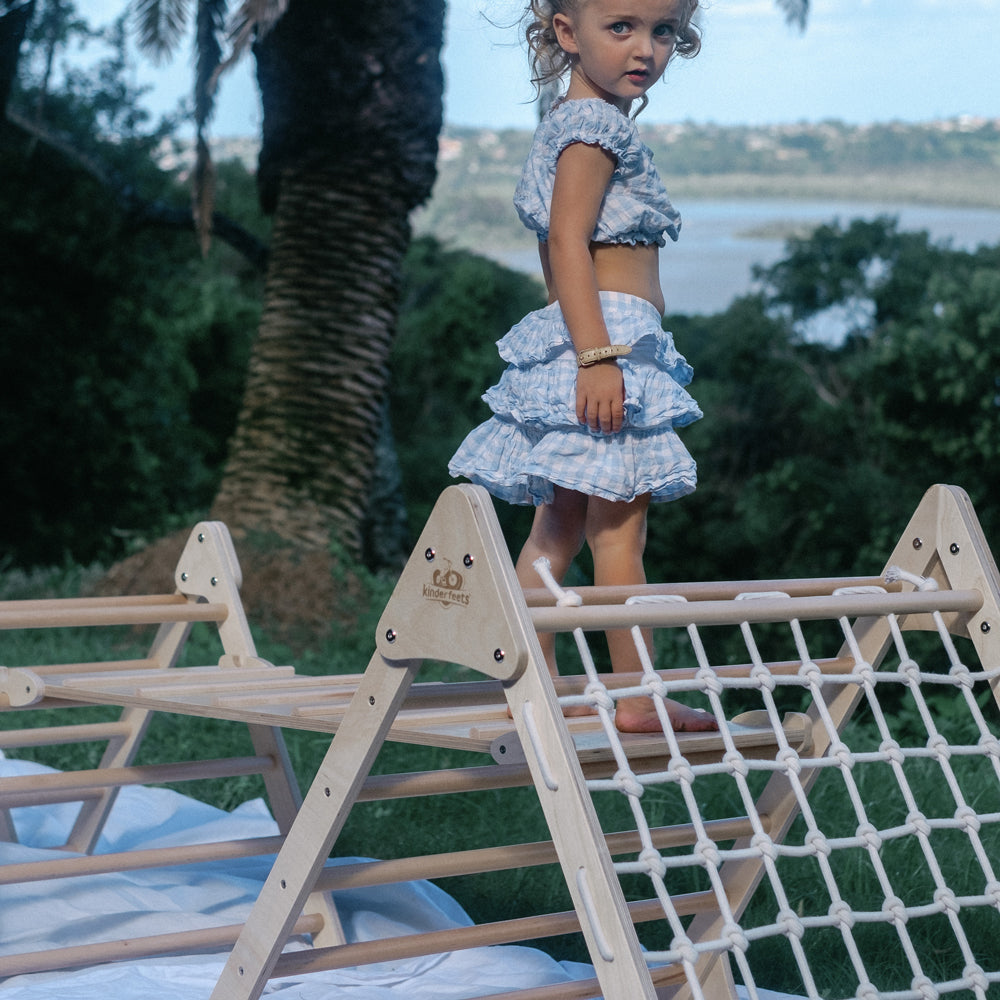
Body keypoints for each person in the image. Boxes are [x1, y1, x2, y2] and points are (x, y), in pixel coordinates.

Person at [449, 0, 717, 733]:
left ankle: (532, 684)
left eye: (662, 31)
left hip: (585, 338)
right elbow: (568, 244)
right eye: (622, 27)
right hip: (607, 341)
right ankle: (637, 699)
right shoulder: (594, 130)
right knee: (618, 533)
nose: (646, 49)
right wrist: (599, 358)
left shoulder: (570, 123)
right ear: (568, 34)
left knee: (558, 527)